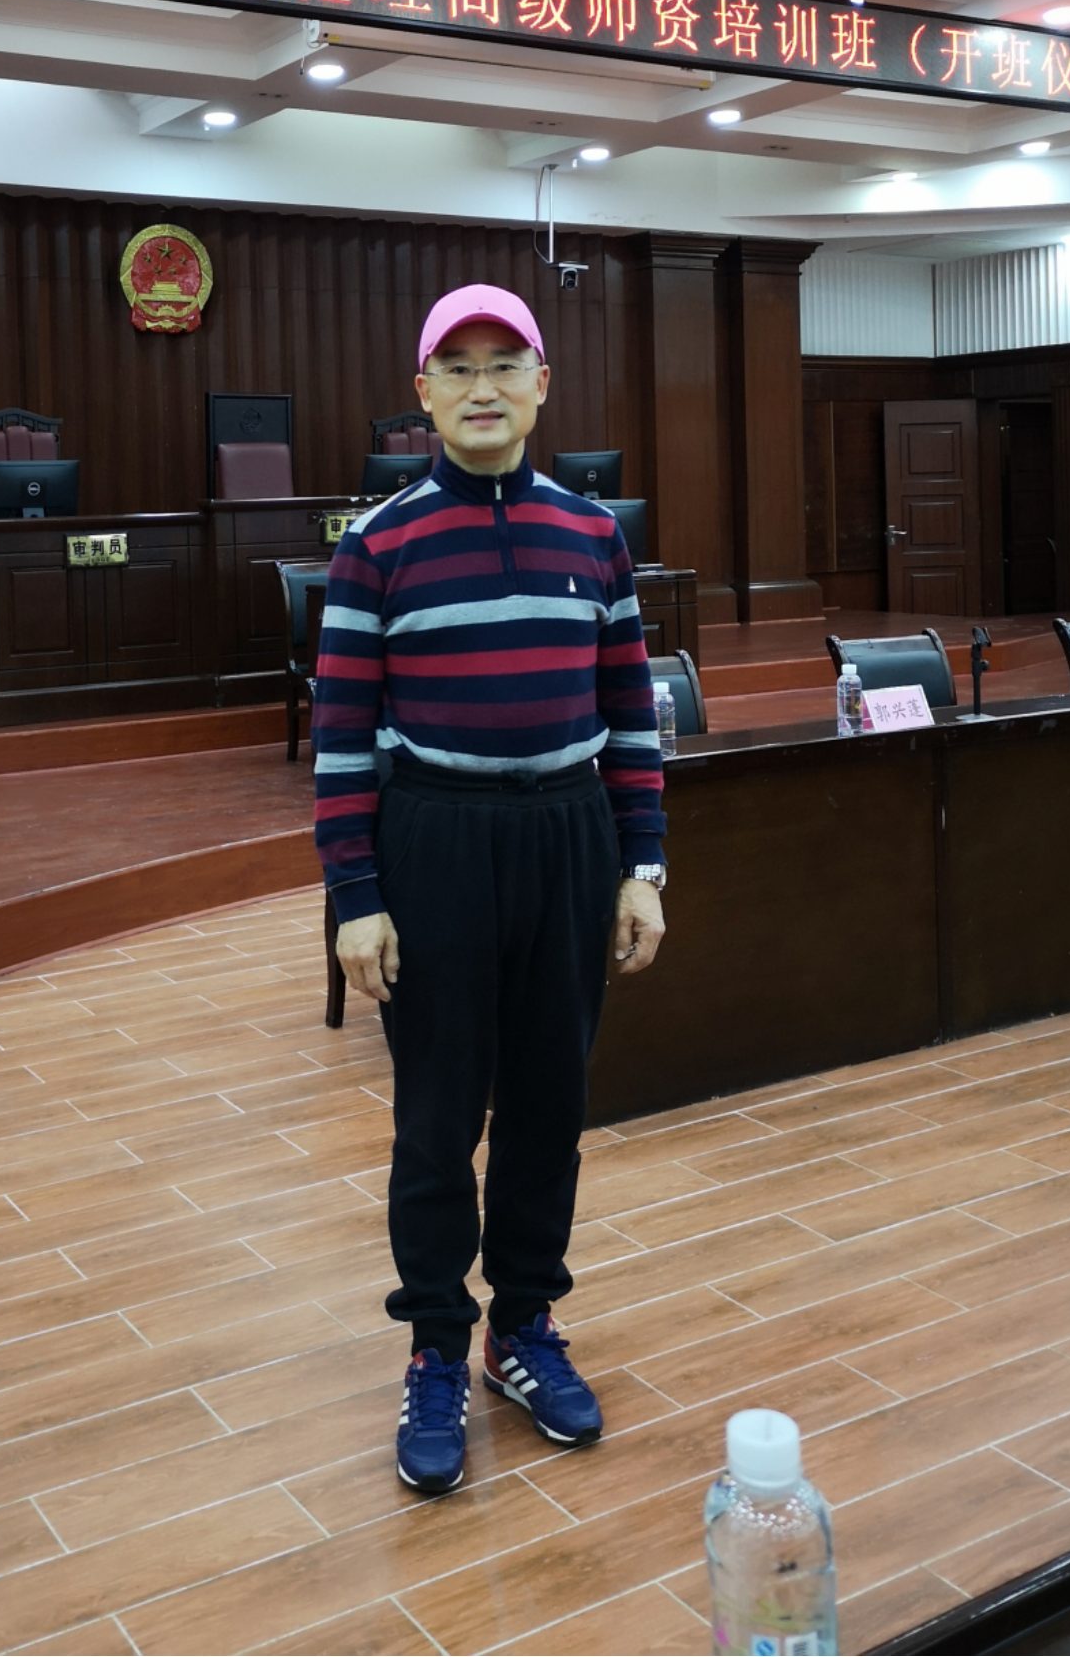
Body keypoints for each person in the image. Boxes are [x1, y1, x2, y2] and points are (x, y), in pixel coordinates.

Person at [312, 282, 667, 1496]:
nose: (482, 386)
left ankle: (523, 1327)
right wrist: (356, 892)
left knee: (548, 1106)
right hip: (437, 841)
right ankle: (434, 1346)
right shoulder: (377, 544)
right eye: (456, 365)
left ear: (541, 385)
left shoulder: (594, 534)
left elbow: (631, 715)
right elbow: (341, 737)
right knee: (437, 1117)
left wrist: (642, 865)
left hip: (569, 835)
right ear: (423, 392)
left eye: (504, 363)